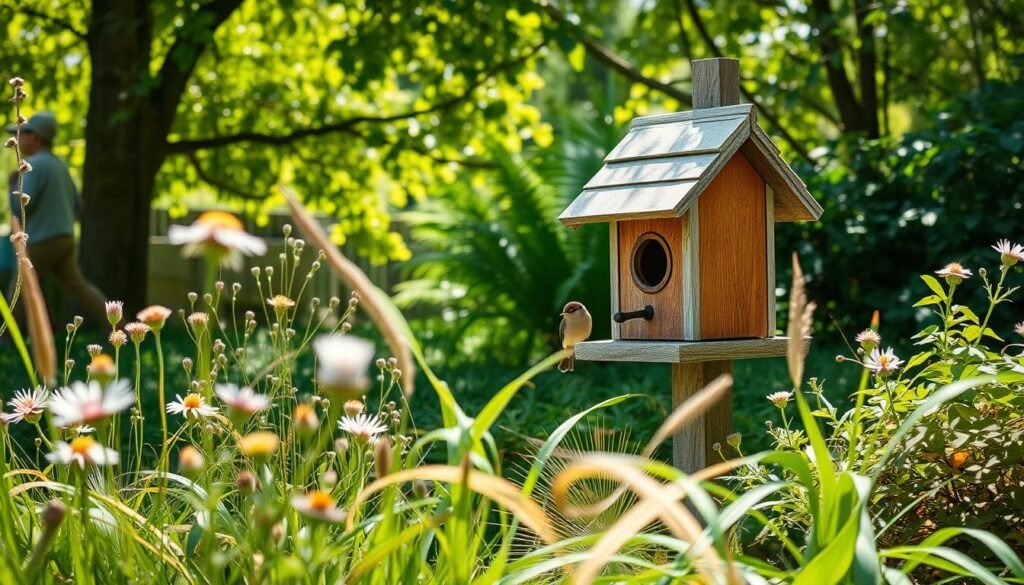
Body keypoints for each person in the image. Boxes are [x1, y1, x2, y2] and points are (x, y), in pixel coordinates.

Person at [5, 111, 107, 325]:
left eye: (22, 134)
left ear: (35, 137)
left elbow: (20, 207)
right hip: (65, 238)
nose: (18, 139)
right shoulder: (60, 166)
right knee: (80, 287)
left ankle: (6, 339)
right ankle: (117, 326)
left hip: (42, 240)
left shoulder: (35, 164)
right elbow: (78, 206)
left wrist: (12, 184)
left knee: (19, 287)